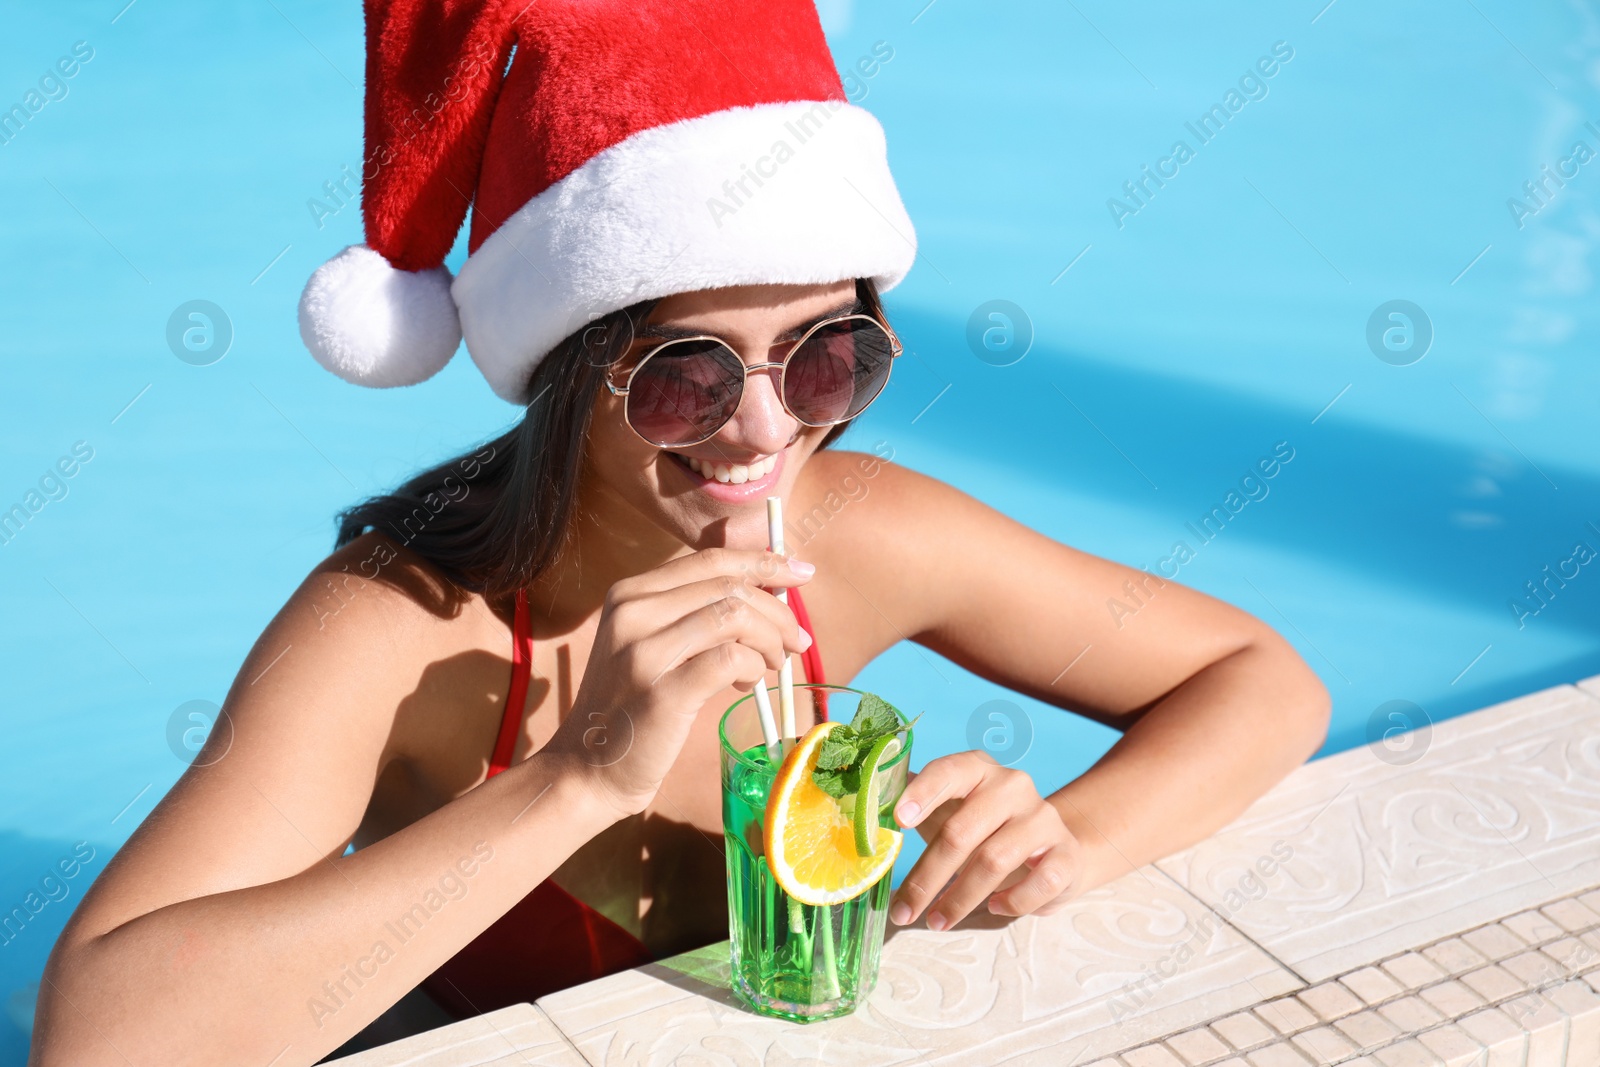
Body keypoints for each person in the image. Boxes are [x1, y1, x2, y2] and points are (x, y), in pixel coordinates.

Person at [29, 2, 1330, 1065]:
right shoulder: (404, 629)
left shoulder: (857, 534)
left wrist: (1062, 842)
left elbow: (1262, 680)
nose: (765, 432)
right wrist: (576, 774)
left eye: (828, 360)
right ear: (566, 366)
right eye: (686, 378)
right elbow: (98, 1037)